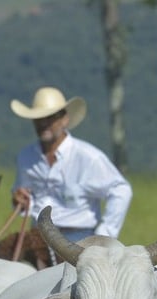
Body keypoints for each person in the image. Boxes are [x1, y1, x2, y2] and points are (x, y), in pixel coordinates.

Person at [10, 86, 132, 242]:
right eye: (38, 119)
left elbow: (121, 190)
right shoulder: (25, 157)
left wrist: (104, 234)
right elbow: (25, 195)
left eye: (50, 118)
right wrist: (19, 200)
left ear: (64, 120)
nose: (43, 123)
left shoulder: (88, 157)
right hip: (38, 238)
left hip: (78, 240)